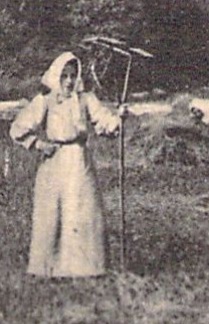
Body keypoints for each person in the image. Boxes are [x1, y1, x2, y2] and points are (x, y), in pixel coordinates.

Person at [9, 51, 125, 278]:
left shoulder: (86, 100)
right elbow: (17, 128)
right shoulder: (45, 101)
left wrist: (117, 119)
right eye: (64, 76)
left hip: (79, 160)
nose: (69, 81)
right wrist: (39, 144)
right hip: (55, 161)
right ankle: (50, 269)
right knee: (54, 213)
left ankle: (87, 268)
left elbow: (103, 121)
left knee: (82, 209)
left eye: (73, 76)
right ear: (56, 76)